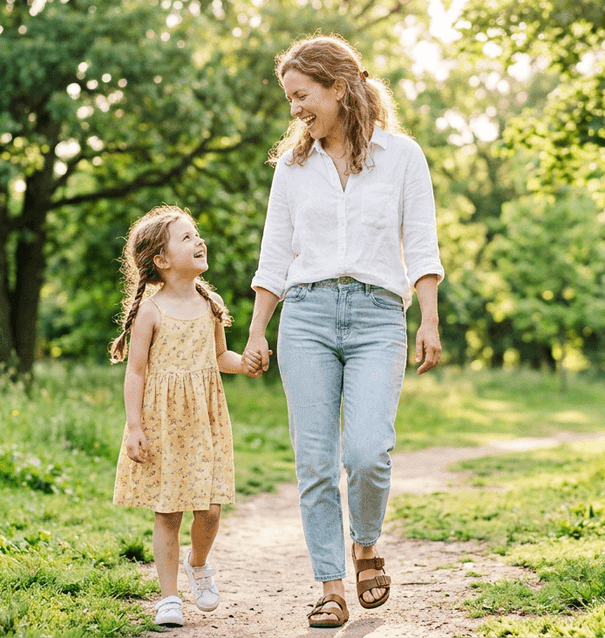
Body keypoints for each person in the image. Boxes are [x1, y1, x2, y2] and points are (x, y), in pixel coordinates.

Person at [242, 33, 444, 629]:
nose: (295, 108)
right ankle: (329, 586)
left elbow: (423, 243)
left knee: (368, 451)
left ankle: (367, 546)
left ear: (339, 87)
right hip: (304, 316)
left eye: (302, 94)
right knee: (314, 460)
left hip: (379, 314)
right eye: (289, 98)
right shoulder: (293, 166)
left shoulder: (403, 156)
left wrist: (428, 318)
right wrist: (257, 332)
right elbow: (274, 255)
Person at [109, 205, 261, 628]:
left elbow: (219, 357)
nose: (199, 241)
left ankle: (199, 563)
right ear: (161, 260)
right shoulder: (151, 311)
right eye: (187, 237)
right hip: (162, 424)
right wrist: (135, 426)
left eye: (197, 234)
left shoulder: (209, 303)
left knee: (210, 511)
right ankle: (169, 598)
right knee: (168, 512)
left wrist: (244, 363)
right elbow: (135, 370)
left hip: (204, 422)